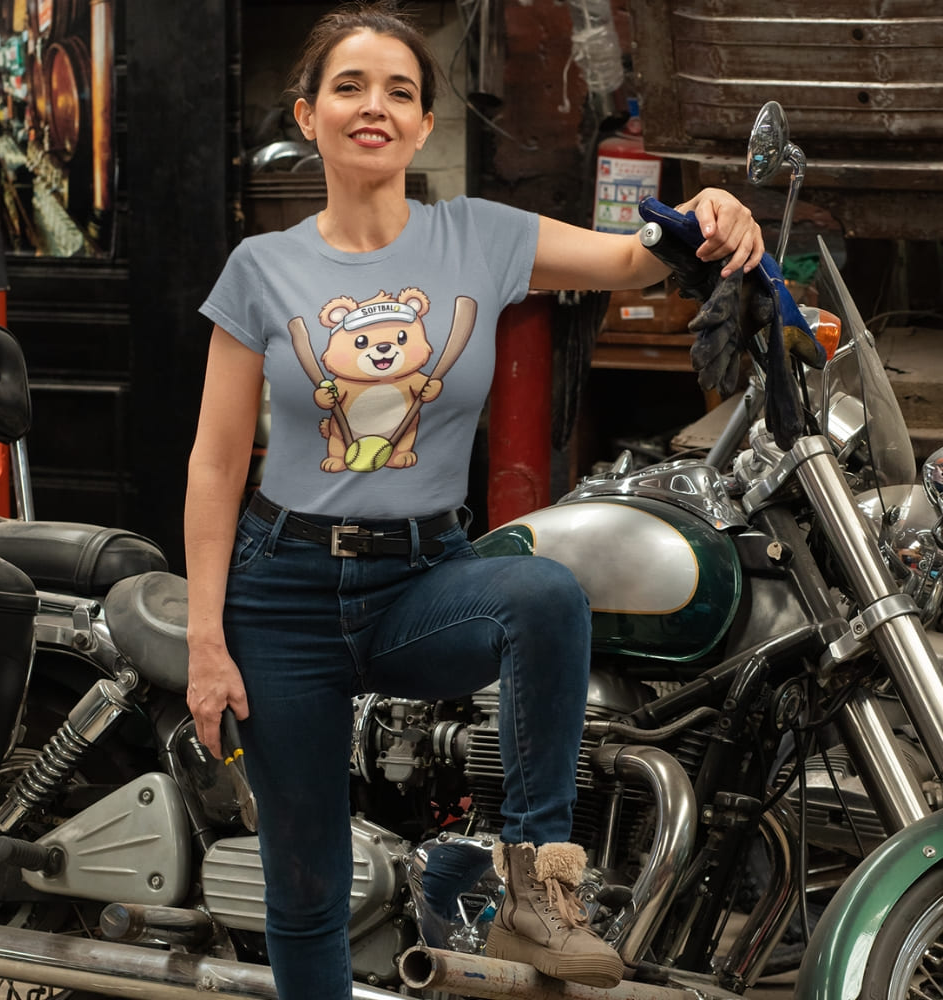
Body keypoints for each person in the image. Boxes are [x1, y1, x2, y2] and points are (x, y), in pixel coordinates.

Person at [184, 3, 764, 998]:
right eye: (350, 87)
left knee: (540, 596)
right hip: (279, 591)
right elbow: (215, 460)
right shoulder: (260, 269)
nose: (375, 106)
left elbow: (632, 258)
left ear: (419, 128)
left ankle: (535, 887)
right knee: (307, 881)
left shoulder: (477, 236)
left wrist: (710, 209)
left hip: (416, 579)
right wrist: (206, 641)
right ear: (309, 113)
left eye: (400, 92)